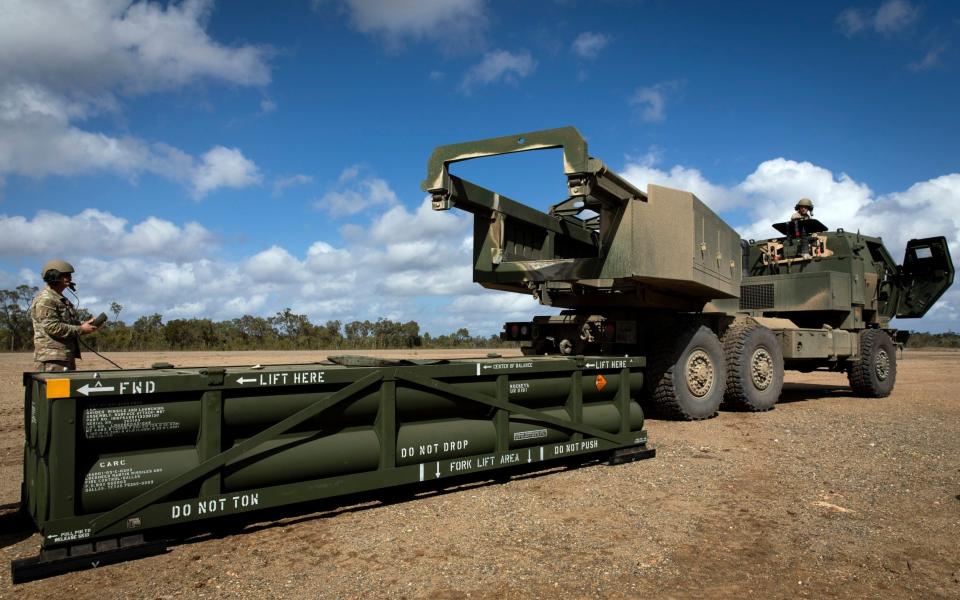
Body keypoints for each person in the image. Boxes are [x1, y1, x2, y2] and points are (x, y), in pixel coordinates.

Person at [30, 259, 98, 372]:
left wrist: (84, 325)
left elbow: (66, 323)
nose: (70, 278)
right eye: (65, 275)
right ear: (53, 276)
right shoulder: (46, 299)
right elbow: (53, 327)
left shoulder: (59, 298)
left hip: (64, 356)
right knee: (54, 390)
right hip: (52, 358)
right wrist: (81, 329)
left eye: (70, 275)